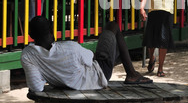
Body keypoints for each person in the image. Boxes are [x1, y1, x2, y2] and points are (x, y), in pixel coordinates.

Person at [21, 16, 152, 92]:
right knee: (112, 26)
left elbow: (36, 87)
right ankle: (132, 74)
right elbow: (90, 59)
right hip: (100, 73)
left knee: (111, 47)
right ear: (51, 29)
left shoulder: (28, 55)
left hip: (75, 81)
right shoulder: (70, 47)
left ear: (31, 35)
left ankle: (125, 64)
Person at [140, 0, 177, 77]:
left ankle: (160, 68)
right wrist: (142, 8)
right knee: (152, 40)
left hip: (167, 12)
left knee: (164, 40)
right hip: (153, 11)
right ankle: (152, 58)